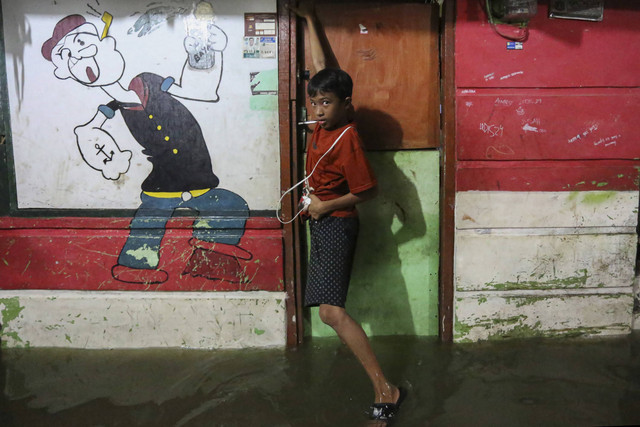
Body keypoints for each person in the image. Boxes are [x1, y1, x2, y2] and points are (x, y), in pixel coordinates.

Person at [294, 3, 407, 422]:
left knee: (331, 312)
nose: (317, 109)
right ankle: (385, 386)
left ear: (346, 105)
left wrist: (325, 205)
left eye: (326, 103)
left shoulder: (347, 137)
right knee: (327, 311)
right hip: (321, 221)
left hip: (337, 226)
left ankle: (386, 389)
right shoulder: (325, 122)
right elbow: (325, 71)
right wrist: (310, 21)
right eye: (314, 103)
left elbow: (368, 190)